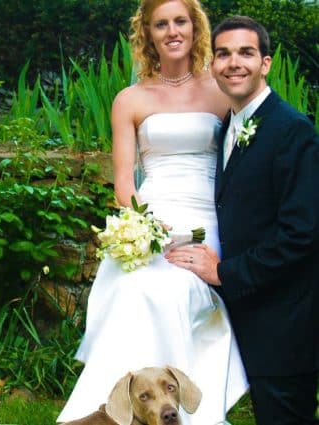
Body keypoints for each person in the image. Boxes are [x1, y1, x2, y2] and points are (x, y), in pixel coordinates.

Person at [57, 1, 248, 424]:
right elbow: (125, 184)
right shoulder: (130, 99)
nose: (172, 31)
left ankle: (180, 410)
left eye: (180, 21)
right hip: (150, 220)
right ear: (148, 33)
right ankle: (117, 412)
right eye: (161, 24)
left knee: (172, 292)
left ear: (195, 28)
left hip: (204, 223)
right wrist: (144, 225)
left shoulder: (221, 91)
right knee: (132, 291)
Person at [166, 15, 319, 425]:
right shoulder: (228, 127)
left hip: (285, 325)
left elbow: (301, 234)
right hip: (247, 317)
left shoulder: (293, 130)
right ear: (213, 64)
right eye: (224, 54)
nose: (234, 63)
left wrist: (224, 272)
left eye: (246, 53)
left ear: (265, 63)